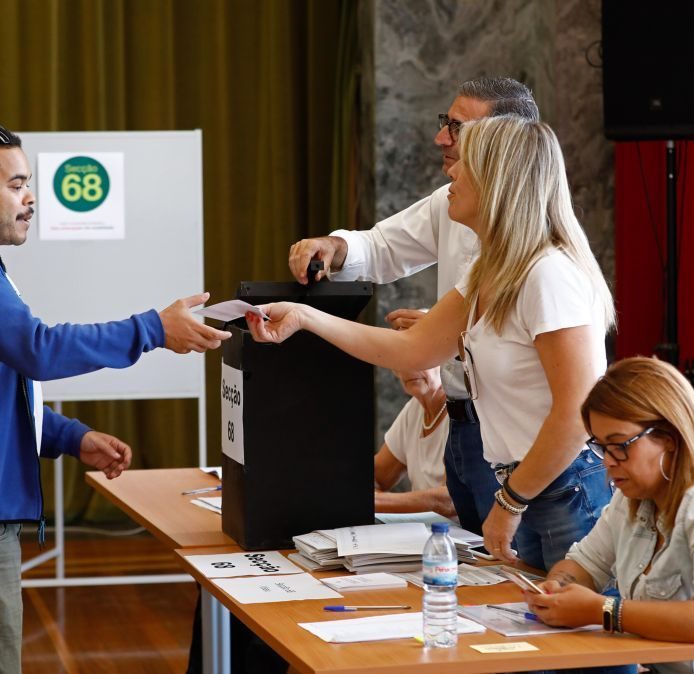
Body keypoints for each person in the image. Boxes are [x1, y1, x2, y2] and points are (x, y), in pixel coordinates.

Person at [0, 121, 231, 673]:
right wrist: (152, 329)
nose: (31, 197)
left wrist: (70, 436)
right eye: (16, 184)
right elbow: (37, 349)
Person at [248, 114, 614, 572]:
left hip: (562, 489)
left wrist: (511, 501)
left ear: (499, 183)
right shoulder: (490, 273)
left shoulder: (548, 276)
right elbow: (411, 349)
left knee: (574, 639)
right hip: (529, 486)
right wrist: (304, 316)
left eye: (468, 164)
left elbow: (577, 412)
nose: (451, 172)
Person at [287, 77, 539, 535]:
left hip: (518, 439)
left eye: (457, 128)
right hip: (463, 425)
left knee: (520, 578)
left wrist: (445, 336)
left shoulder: (538, 252)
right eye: (446, 123)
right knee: (476, 577)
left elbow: (566, 390)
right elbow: (384, 245)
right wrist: (334, 246)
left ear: (501, 143)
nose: (440, 139)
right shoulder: (455, 200)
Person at [524, 357, 694, 673]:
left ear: (669, 437)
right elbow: (585, 563)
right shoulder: (636, 494)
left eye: (619, 445)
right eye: (601, 447)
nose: (609, 462)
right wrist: (557, 588)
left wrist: (603, 610)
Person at [374, 365, 456, 519]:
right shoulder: (413, 409)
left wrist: (374, 501)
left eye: (421, 358)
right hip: (419, 533)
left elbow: (451, 499)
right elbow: (377, 476)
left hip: (456, 537)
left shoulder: (464, 411)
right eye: (401, 360)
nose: (409, 368)